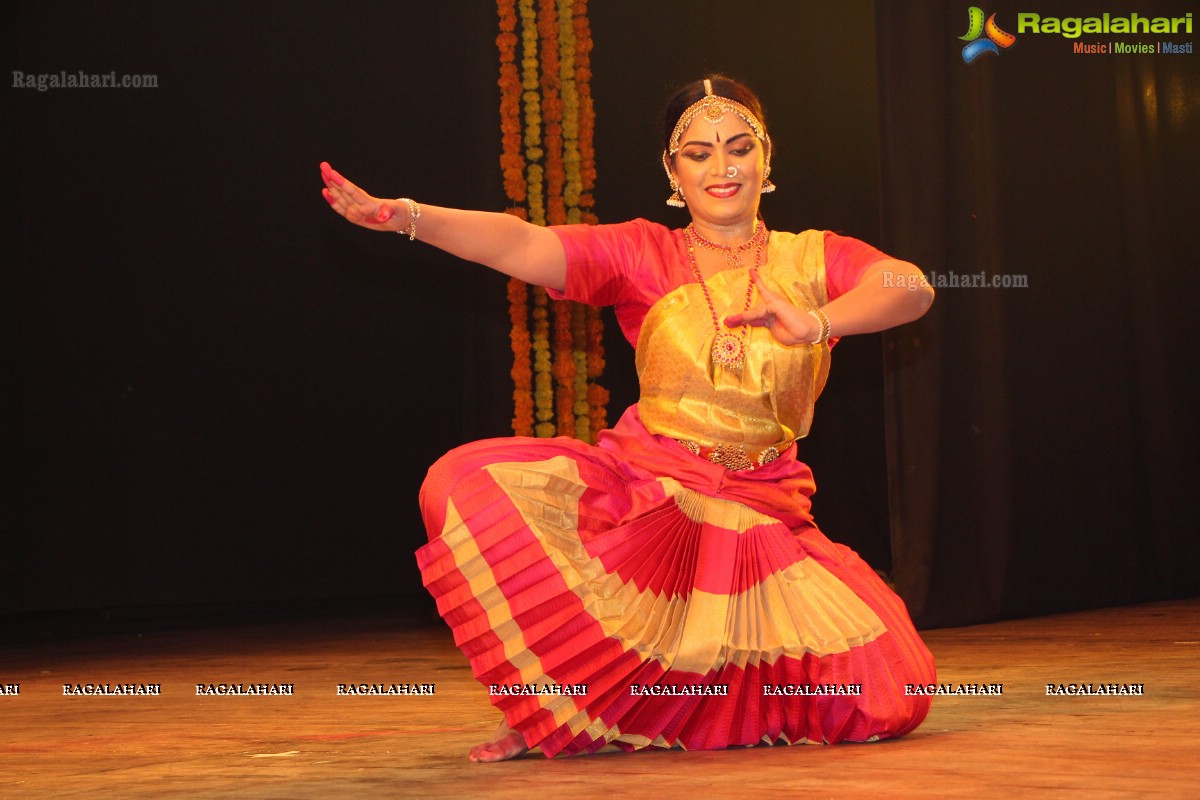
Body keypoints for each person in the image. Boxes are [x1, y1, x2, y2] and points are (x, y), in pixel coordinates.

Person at [320, 75, 937, 763]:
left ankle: (664, 709)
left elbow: (911, 287)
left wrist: (818, 321)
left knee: (891, 694)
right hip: (650, 493)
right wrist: (408, 216)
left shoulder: (813, 258)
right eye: (698, 153)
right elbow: (523, 244)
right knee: (467, 482)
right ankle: (552, 707)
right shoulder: (644, 254)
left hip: (767, 509)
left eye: (738, 148)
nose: (721, 167)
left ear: (767, 159)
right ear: (673, 172)